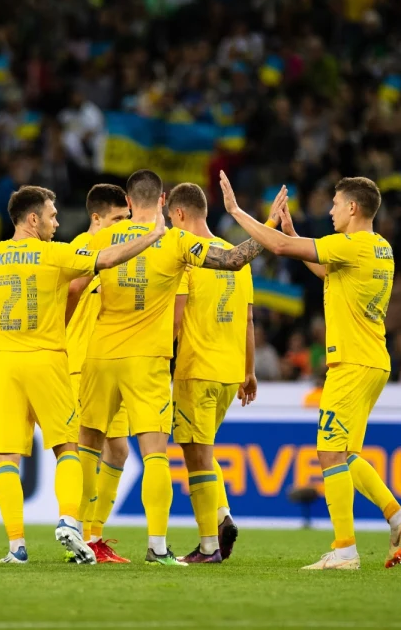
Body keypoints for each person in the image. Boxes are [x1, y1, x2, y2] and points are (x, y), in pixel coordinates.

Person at [217, 172, 401, 570]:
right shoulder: (380, 248)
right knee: (346, 454)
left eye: (334, 203)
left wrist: (236, 210)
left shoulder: (352, 244)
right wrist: (294, 231)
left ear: (352, 207)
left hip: (350, 361)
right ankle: (397, 517)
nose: (329, 211)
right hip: (373, 361)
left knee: (328, 453)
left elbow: (275, 245)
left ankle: (344, 550)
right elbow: (329, 272)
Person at [0, 185, 167, 565]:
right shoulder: (55, 254)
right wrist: (153, 236)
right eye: (53, 216)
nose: (57, 223)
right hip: (48, 361)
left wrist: (4, 339)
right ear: (33, 218)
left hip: (4, 364)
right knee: (66, 448)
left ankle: (16, 547)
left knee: (7, 458)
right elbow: (105, 259)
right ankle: (70, 522)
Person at [78, 169, 268, 567]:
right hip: (146, 361)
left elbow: (73, 286)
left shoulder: (100, 238)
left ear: (128, 203)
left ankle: (80, 536)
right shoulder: (176, 239)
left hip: (98, 356)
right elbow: (233, 259)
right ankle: (158, 547)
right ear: (163, 200)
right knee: (155, 457)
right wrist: (264, 226)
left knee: (87, 449)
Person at [168, 182, 258, 563]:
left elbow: (174, 320)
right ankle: (221, 516)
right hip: (229, 373)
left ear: (180, 215)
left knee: (196, 460)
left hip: (196, 370)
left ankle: (208, 547)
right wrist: (249, 372)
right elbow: (249, 318)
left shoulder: (187, 258)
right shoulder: (235, 255)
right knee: (204, 453)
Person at [63, 184, 134, 563]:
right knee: (84, 447)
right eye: (117, 219)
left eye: (126, 218)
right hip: (80, 363)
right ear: (96, 218)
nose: (123, 225)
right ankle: (77, 531)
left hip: (112, 361)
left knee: (119, 450)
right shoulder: (80, 251)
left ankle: (94, 536)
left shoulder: (120, 254)